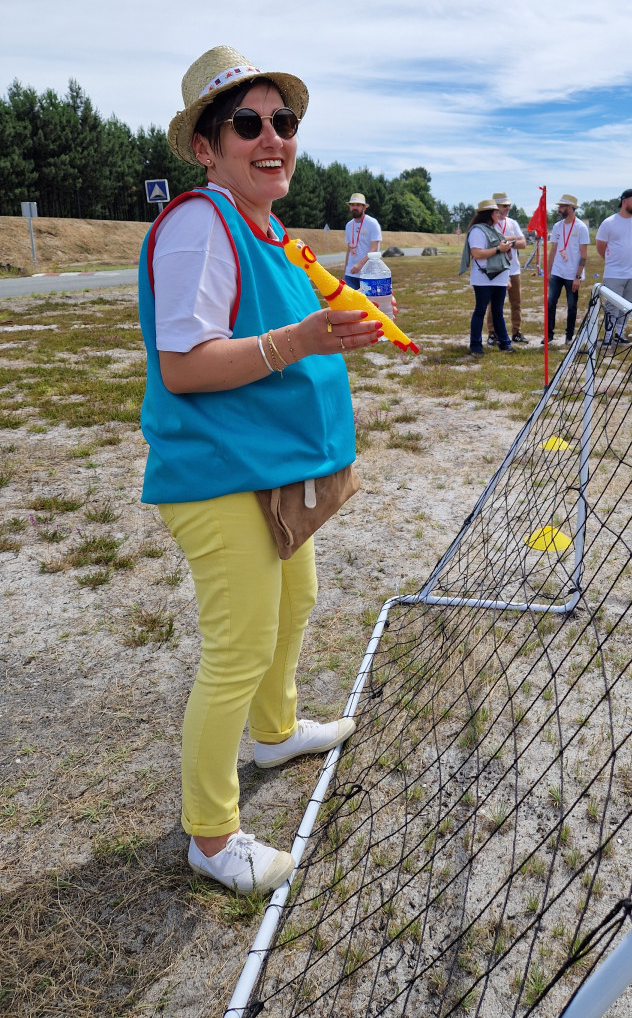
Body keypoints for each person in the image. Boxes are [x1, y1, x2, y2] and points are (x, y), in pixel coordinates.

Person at [138, 46, 382, 897]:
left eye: (284, 121)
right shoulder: (200, 223)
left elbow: (273, 322)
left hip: (264, 466)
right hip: (215, 474)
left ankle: (274, 731)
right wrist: (298, 341)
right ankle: (212, 836)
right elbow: (186, 365)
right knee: (236, 647)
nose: (272, 136)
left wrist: (330, 324)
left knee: (299, 598)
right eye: (249, 123)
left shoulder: (263, 226)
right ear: (207, 147)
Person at [596, 189, 632, 345]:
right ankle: (607, 336)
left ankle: (620, 333)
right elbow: (600, 246)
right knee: (611, 306)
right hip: (614, 273)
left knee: (628, 305)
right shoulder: (609, 223)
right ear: (624, 201)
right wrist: (613, 260)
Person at [462, 199, 514, 355]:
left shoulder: (494, 229)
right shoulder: (477, 231)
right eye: (496, 211)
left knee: (498, 311)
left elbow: (503, 254)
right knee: (480, 311)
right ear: (489, 213)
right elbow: (477, 254)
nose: (499, 214)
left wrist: (506, 251)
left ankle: (505, 343)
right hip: (484, 278)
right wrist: (499, 249)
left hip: (499, 277)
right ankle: (476, 346)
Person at [544, 194, 589, 345]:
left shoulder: (581, 227)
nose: (558, 209)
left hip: (572, 274)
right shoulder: (557, 226)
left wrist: (577, 277)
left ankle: (569, 336)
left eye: (561, 207)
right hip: (557, 272)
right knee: (550, 302)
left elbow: (583, 254)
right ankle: (549, 334)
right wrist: (548, 271)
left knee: (572, 305)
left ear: (570, 208)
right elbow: (553, 250)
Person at [487, 192, 528, 344]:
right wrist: (512, 239)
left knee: (516, 303)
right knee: (494, 304)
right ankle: (492, 334)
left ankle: (516, 332)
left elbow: (523, 243)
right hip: (497, 269)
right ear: (496, 207)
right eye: (505, 206)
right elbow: (493, 244)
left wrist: (506, 242)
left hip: (513, 269)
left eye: (509, 205)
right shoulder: (490, 224)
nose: (508, 208)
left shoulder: (512, 223)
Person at [343, 192, 382, 289]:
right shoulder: (348, 225)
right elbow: (349, 248)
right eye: (352, 205)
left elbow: (374, 249)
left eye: (358, 205)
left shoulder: (372, 223)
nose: (354, 207)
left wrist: (359, 265)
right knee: (350, 303)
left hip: (368, 273)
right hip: (350, 274)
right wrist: (345, 270)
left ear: (364, 207)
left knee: (368, 302)